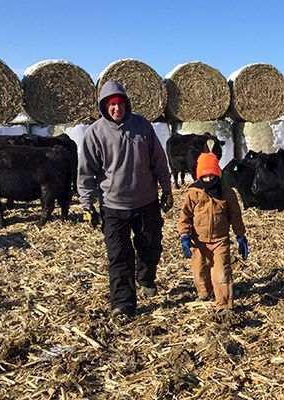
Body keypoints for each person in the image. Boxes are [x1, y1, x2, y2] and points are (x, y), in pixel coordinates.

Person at [78, 80, 174, 319]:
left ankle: (146, 277)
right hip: (113, 206)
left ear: (126, 104)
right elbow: (86, 172)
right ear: (104, 106)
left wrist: (167, 190)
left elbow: (159, 161)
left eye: (120, 103)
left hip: (146, 202)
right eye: (111, 104)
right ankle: (123, 304)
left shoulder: (142, 126)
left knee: (151, 247)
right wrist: (87, 204)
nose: (116, 108)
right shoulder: (95, 133)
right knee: (119, 255)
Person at [178, 152, 248, 313]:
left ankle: (224, 304)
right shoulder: (193, 193)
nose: (208, 180)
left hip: (220, 240)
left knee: (222, 273)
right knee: (199, 270)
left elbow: (235, 216)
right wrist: (184, 235)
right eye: (204, 177)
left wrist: (240, 235)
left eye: (211, 176)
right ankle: (204, 293)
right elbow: (185, 215)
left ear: (217, 173)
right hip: (199, 241)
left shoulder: (227, 193)